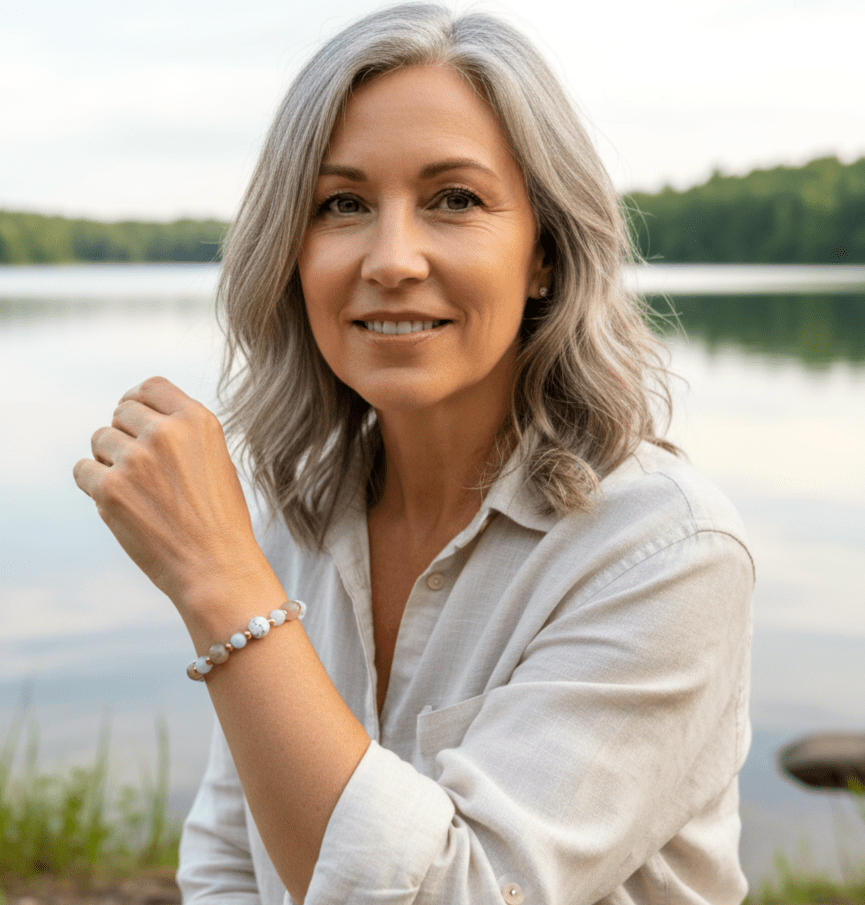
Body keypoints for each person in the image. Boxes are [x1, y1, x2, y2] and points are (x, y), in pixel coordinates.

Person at [73, 4, 754, 904]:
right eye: (342, 204)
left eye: (455, 199)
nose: (391, 258)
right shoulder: (302, 519)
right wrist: (242, 573)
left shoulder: (666, 551)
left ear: (543, 251)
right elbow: (229, 857)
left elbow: (458, 889)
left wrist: (219, 583)